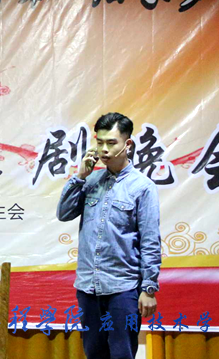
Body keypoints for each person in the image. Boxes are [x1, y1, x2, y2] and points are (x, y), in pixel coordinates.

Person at [57, 112, 161, 359]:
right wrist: (80, 177)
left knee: (122, 354)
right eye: (100, 142)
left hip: (123, 288)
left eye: (111, 142)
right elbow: (64, 213)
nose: (104, 149)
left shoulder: (142, 186)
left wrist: (148, 288)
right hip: (88, 287)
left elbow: (150, 241)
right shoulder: (90, 180)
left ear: (128, 144)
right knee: (94, 353)